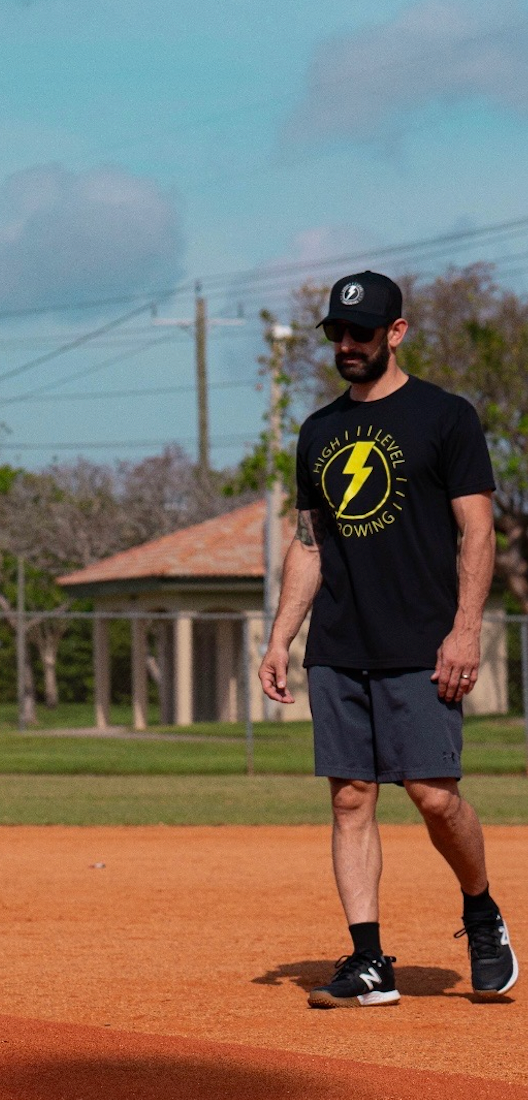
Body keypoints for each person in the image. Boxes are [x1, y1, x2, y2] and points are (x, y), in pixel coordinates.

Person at [259, 270, 517, 1009]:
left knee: (435, 798)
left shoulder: (446, 417)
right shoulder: (318, 431)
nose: (347, 344)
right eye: (337, 333)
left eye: (361, 333)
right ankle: (370, 962)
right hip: (341, 643)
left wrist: (464, 631)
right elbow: (309, 544)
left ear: (395, 333)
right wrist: (280, 640)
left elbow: (476, 529)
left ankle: (481, 910)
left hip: (423, 641)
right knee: (350, 800)